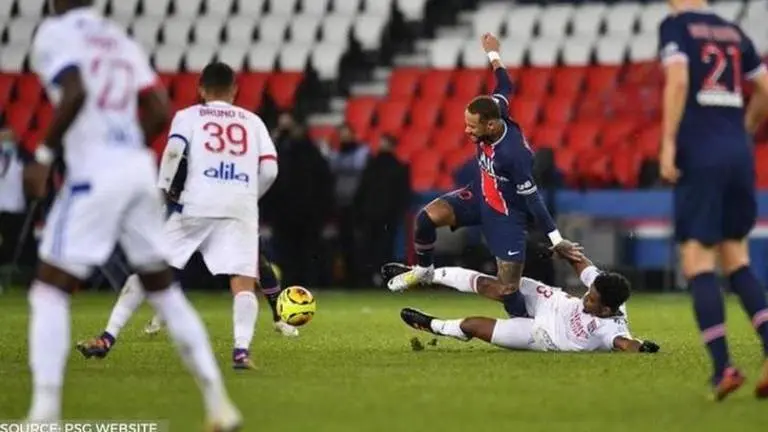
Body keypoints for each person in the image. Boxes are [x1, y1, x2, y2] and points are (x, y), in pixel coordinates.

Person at [24, 1, 240, 429]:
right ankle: (219, 403)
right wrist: (125, 154)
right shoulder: (118, 38)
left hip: (95, 171)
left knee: (48, 291)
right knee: (163, 289)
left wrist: (44, 155)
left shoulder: (54, 33)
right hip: (137, 169)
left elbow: (76, 91)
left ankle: (44, 412)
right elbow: (158, 108)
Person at [76, 62, 293, 369]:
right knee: (243, 283)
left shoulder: (188, 116)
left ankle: (107, 337)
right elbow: (270, 170)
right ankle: (241, 351)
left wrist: (162, 188)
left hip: (196, 204)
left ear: (201, 89)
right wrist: (247, 196)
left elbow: (174, 151)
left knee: (149, 270)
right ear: (234, 90)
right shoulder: (253, 121)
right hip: (239, 208)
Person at [386, 33, 579, 312]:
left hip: (506, 215)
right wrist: (493, 54)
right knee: (425, 218)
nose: (467, 131)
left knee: (507, 289)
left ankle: (526, 327)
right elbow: (505, 83)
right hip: (479, 196)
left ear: (490, 126)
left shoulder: (514, 155)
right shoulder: (497, 107)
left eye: (472, 127)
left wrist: (557, 241)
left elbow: (534, 200)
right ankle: (424, 271)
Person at [658, 0, 768, 400]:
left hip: (699, 153)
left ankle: (723, 367)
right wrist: (744, 130)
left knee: (698, 260)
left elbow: (679, 81)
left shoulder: (676, 27)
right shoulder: (732, 31)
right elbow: (766, 90)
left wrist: (668, 143)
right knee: (736, 257)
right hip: (738, 154)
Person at [386, 251, 661, 354]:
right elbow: (583, 264)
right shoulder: (604, 287)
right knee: (492, 285)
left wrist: (645, 348)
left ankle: (432, 325)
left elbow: (627, 345)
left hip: (542, 337)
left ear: (606, 310)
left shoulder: (612, 329)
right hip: (547, 301)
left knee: (472, 326)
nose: (586, 298)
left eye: (591, 300)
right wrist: (563, 248)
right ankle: (420, 274)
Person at [353, 135, 410, 285]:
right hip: (374, 215)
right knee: (372, 248)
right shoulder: (375, 166)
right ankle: (371, 278)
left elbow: (402, 194)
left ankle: (378, 278)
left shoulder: (394, 167)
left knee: (381, 249)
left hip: (383, 216)